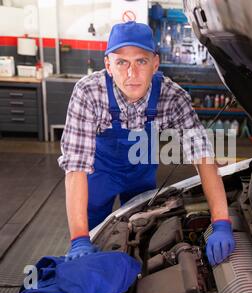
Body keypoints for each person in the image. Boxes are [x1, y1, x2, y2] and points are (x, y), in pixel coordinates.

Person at [58, 21, 235, 266]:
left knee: (142, 232)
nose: (132, 73)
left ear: (155, 64)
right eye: (122, 62)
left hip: (141, 171)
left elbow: (203, 157)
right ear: (108, 64)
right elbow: (76, 167)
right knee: (93, 232)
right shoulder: (88, 93)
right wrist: (79, 238)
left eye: (141, 61)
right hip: (99, 173)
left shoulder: (173, 98)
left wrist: (221, 222)